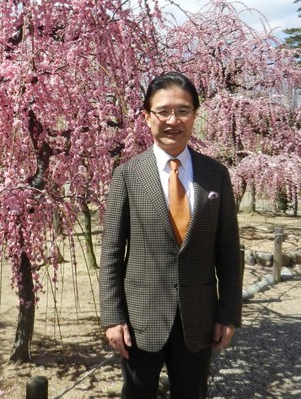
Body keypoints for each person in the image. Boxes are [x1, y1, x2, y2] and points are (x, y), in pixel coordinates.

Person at [99, 71, 242, 399]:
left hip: (199, 318)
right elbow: (110, 254)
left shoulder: (215, 175)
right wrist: (112, 318)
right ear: (147, 117)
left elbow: (229, 252)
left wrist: (229, 312)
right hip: (140, 320)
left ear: (194, 115)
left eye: (183, 110)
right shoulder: (128, 175)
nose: (173, 120)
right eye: (163, 111)